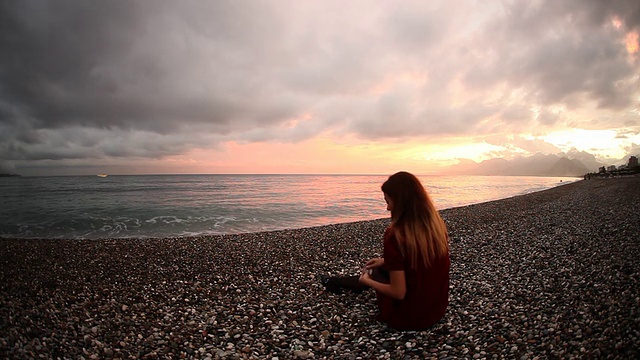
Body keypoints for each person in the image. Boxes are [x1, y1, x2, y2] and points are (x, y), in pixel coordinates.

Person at [320, 171, 450, 330]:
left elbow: (398, 292)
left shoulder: (396, 235)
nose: (387, 207)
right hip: (436, 310)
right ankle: (336, 282)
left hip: (409, 318)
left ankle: (337, 282)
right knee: (383, 267)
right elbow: (421, 261)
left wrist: (370, 282)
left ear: (401, 203)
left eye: (388, 201)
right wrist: (385, 261)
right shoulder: (435, 227)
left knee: (376, 274)